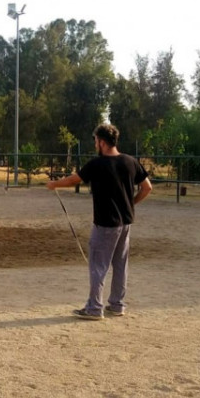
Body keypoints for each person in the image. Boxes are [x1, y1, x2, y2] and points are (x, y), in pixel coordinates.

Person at [46, 123, 152, 320]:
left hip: (105, 223)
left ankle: (94, 308)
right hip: (125, 223)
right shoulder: (131, 161)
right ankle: (117, 305)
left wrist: (53, 184)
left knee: (98, 265)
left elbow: (72, 180)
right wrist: (131, 204)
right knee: (120, 264)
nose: (95, 144)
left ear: (102, 142)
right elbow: (147, 188)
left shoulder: (97, 164)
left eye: (95, 141)